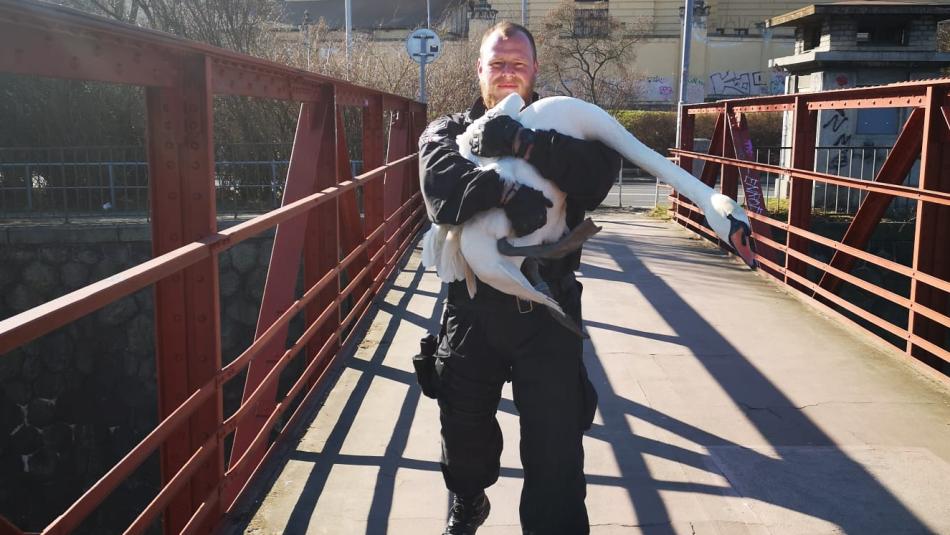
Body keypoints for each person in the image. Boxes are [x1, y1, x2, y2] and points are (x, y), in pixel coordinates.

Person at [417, 21, 621, 535]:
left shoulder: (565, 127)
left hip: (546, 308)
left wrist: (526, 143)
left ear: (534, 71)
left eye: (519, 64)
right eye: (497, 64)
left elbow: (595, 176)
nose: (508, 74)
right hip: (472, 306)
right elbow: (440, 184)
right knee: (463, 431)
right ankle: (468, 500)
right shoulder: (447, 128)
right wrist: (504, 191)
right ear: (479, 70)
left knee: (555, 450)